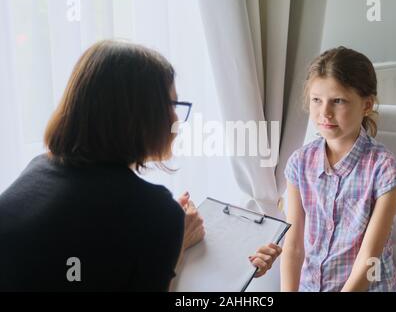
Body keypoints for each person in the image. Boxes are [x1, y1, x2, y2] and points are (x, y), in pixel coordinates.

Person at [0, 40, 281, 291]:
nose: (176, 118)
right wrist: (175, 243)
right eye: (173, 104)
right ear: (142, 115)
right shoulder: (153, 210)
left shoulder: (37, 169)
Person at [280, 46, 396, 292]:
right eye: (317, 100)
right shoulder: (299, 163)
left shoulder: (385, 169)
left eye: (338, 101)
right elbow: (294, 247)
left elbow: (369, 259)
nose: (325, 112)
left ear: (367, 105)